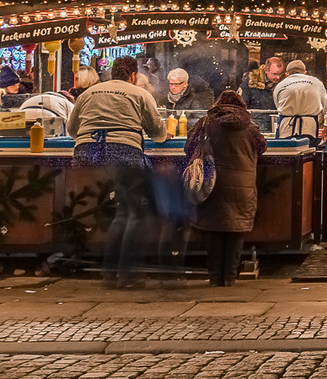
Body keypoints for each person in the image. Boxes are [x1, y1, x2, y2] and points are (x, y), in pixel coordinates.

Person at [67, 56, 168, 287]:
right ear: (133, 75)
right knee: (133, 212)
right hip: (122, 152)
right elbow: (157, 132)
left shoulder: (87, 93)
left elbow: (72, 129)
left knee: (113, 213)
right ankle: (127, 274)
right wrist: (164, 136)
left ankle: (109, 271)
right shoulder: (140, 94)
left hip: (86, 154)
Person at [187, 89, 266, 286]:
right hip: (243, 185)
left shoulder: (205, 124)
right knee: (236, 231)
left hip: (212, 183)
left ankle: (215, 278)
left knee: (214, 230)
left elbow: (189, 147)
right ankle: (230, 278)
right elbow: (262, 147)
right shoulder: (250, 127)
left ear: (218, 105)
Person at [273, 60, 327, 140]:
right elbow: (325, 104)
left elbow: (278, 106)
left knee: (285, 151)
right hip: (309, 128)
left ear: (287, 74)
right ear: (304, 72)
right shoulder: (316, 82)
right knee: (309, 151)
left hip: (286, 127)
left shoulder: (280, 85)